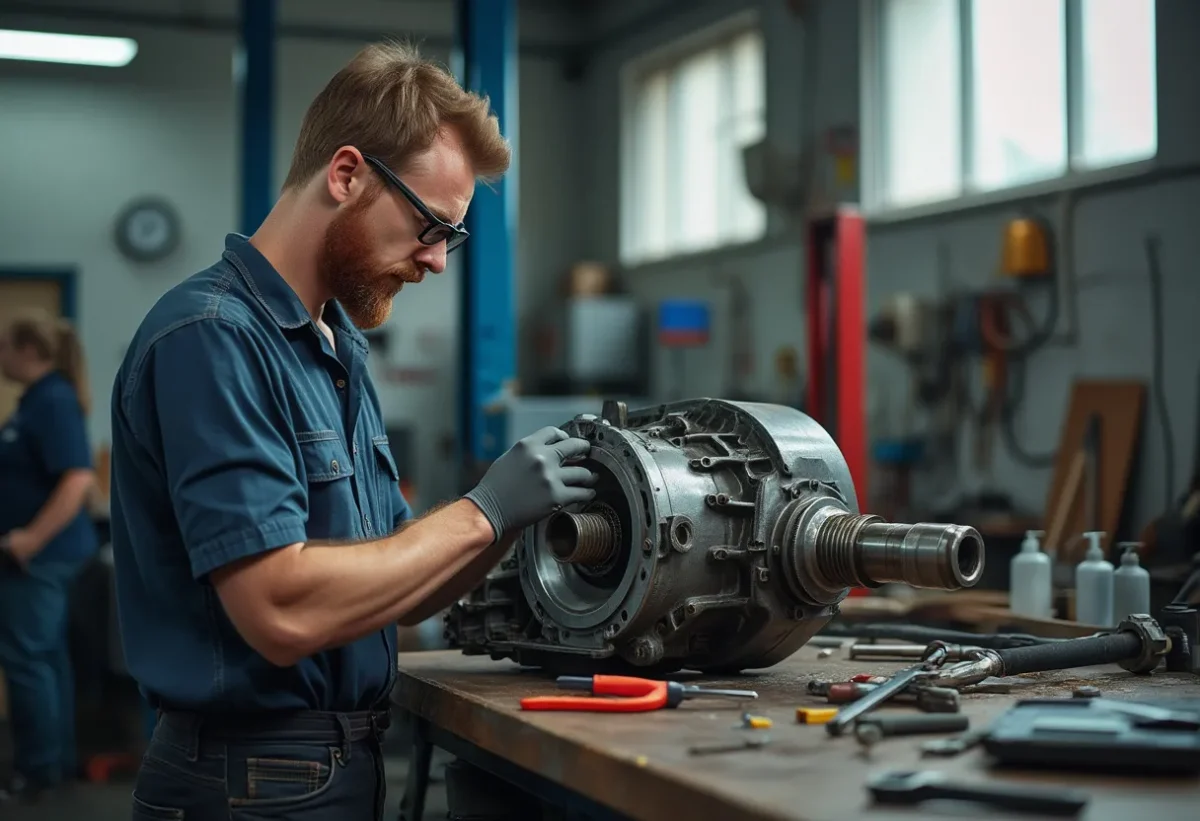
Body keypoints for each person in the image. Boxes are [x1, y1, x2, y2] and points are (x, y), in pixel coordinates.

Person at [110, 42, 597, 820]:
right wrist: (484, 512)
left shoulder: (335, 347)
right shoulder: (211, 339)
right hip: (251, 784)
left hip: (335, 767)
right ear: (347, 174)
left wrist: (509, 521)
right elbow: (279, 610)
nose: (437, 260)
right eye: (431, 225)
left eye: (453, 238)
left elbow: (396, 592)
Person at [0, 310, 98, 802]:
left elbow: (78, 478)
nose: (0, 356)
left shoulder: (53, 400)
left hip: (41, 558)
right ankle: (51, 765)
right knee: (44, 659)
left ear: (29, 351)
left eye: (4, 346)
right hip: (42, 558)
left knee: (29, 660)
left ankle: (38, 772)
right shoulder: (37, 401)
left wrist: (30, 540)